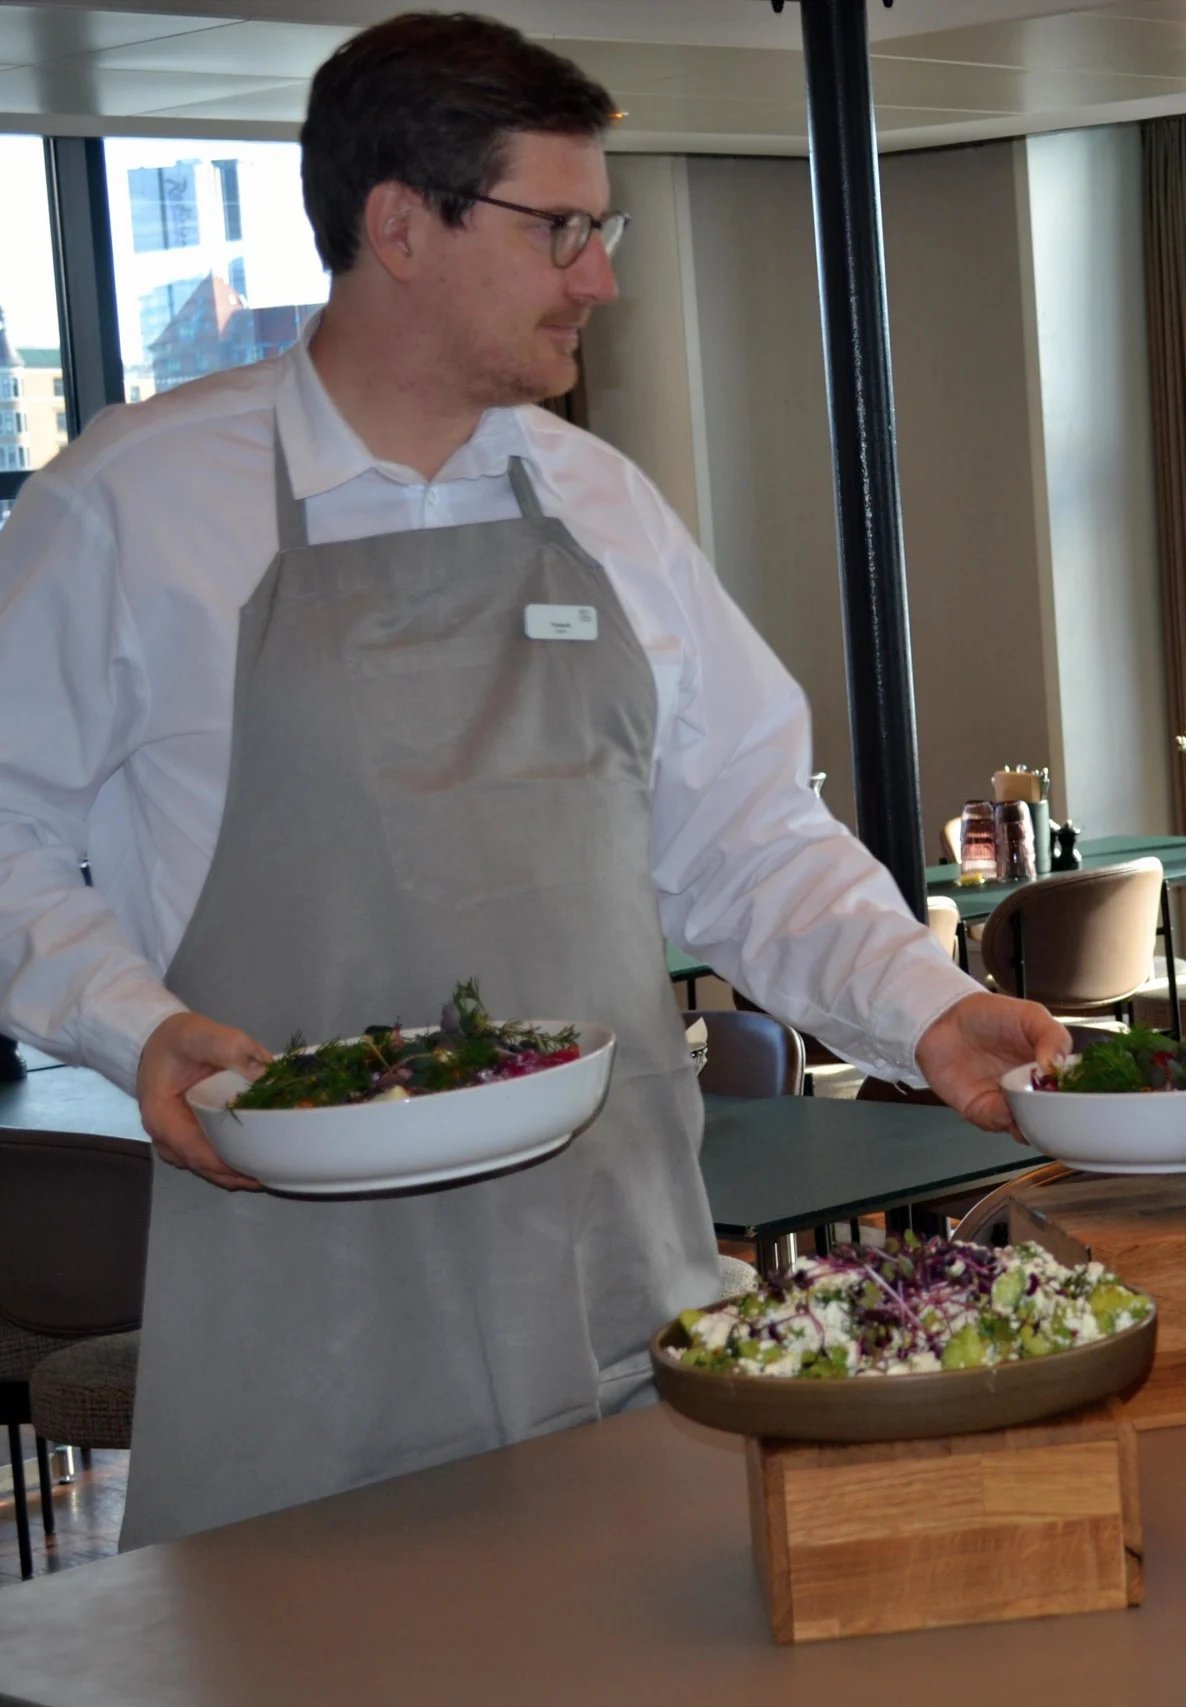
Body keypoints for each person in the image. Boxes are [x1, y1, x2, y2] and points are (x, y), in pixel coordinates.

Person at [0, 13, 1066, 1548]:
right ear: (400, 227)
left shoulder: (604, 506)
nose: (600, 277)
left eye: (601, 229)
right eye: (559, 228)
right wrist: (135, 1026)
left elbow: (751, 832)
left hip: (616, 1284)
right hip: (302, 1310)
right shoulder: (137, 502)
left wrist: (925, 1005)